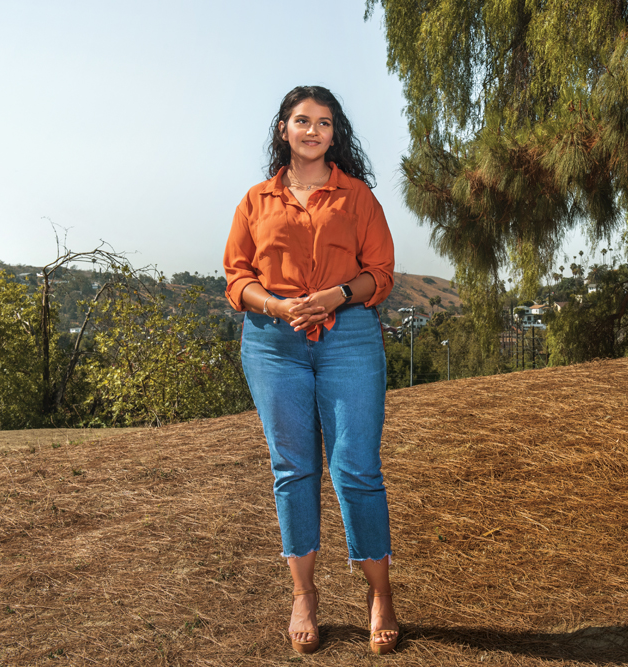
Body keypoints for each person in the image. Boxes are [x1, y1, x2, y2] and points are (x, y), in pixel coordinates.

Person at [223, 86, 399, 655]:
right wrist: (275, 305)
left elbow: (381, 274)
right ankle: (304, 594)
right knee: (293, 467)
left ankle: (381, 596)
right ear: (283, 129)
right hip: (273, 343)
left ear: (333, 134)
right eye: (303, 120)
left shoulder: (358, 198)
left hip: (348, 336)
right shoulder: (255, 201)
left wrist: (337, 295)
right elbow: (236, 278)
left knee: (356, 467)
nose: (313, 130)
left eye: (324, 123)